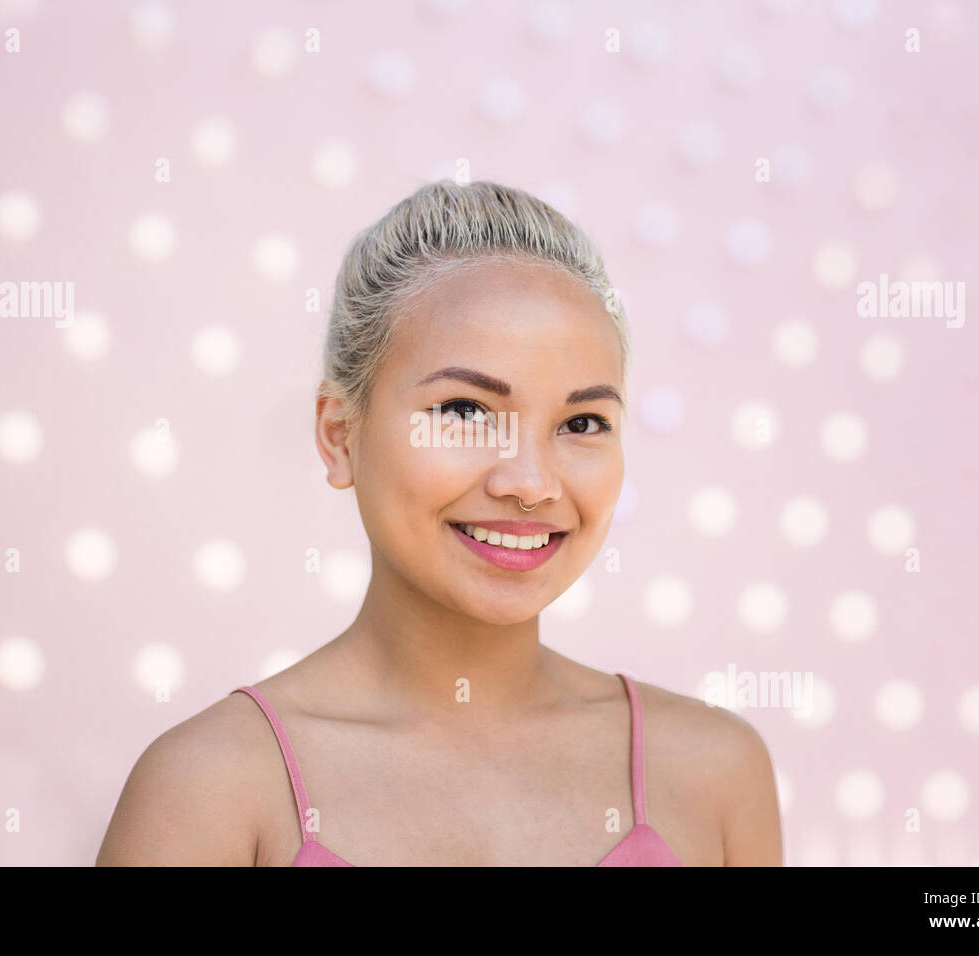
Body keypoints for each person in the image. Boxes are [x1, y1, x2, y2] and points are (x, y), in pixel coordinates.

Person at [97, 180, 782, 866]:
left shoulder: (713, 774)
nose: (530, 484)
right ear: (340, 436)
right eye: (464, 411)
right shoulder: (209, 791)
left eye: (581, 423)